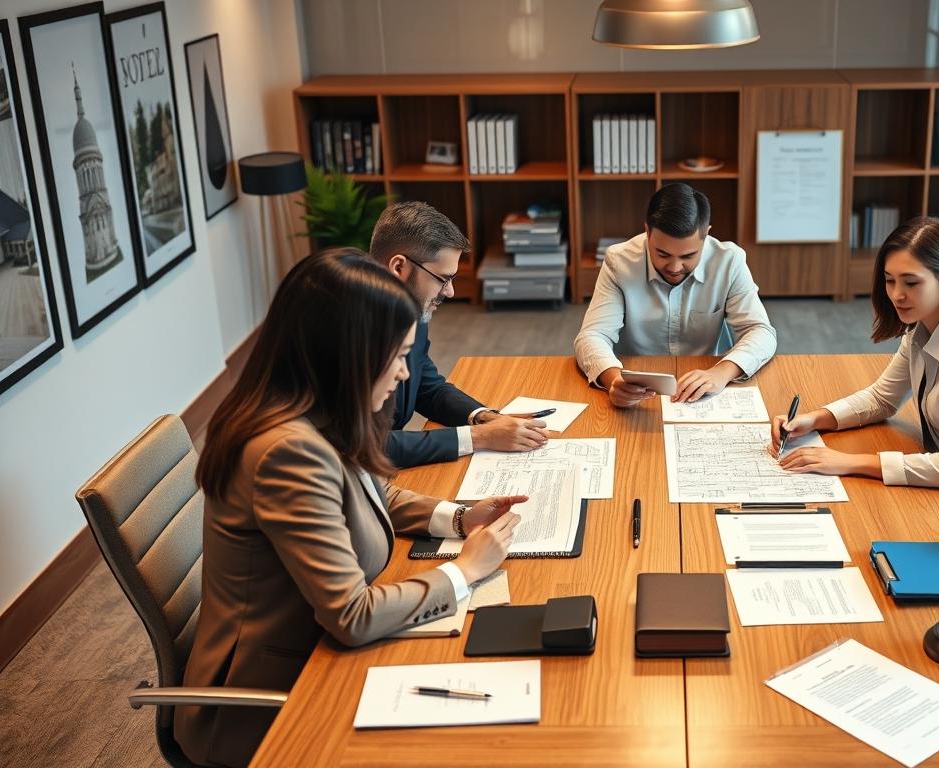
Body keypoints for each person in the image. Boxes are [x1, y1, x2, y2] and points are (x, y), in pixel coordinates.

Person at [176, 248, 525, 767]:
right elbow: (352, 617)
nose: (404, 374)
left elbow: (367, 492)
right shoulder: (287, 451)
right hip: (273, 699)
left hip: (315, 652)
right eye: (398, 356)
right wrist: (465, 570)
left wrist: (457, 517)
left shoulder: (312, 410)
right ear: (348, 356)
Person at [771, 216, 939, 500]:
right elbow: (882, 399)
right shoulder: (921, 331)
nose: (897, 295)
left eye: (911, 283)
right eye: (890, 281)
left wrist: (849, 462)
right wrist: (813, 420)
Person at [369, 202, 548, 467]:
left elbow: (427, 387)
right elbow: (365, 444)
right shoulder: (344, 331)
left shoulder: (413, 312)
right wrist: (479, 437)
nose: (450, 292)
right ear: (398, 268)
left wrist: (485, 418)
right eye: (443, 278)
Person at [573, 183, 777, 407]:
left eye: (688, 256)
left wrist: (722, 372)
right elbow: (592, 336)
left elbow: (761, 332)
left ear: (706, 235)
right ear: (647, 231)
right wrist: (613, 380)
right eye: (662, 254)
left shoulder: (729, 261)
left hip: (704, 381)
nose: (674, 267)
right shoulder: (619, 261)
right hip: (636, 385)